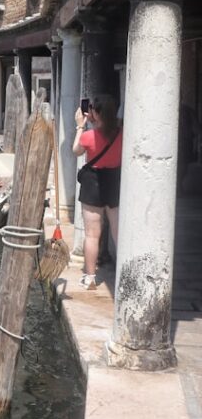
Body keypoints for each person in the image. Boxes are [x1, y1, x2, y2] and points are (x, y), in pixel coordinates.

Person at [73, 94, 122, 290]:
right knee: (119, 234)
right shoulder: (122, 133)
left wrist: (80, 125)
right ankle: (123, 274)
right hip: (115, 181)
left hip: (93, 183)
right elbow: (109, 131)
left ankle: (90, 277)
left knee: (92, 234)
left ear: (95, 113)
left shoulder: (88, 136)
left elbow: (76, 150)